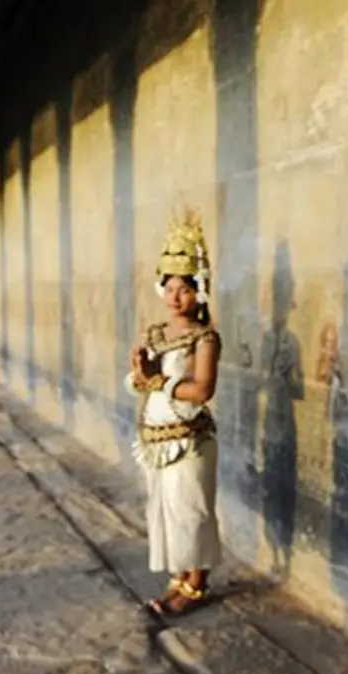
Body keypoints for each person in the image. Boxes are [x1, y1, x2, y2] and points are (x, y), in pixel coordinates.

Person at [126, 211, 223, 617]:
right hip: (156, 439)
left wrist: (158, 380)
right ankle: (178, 579)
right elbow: (140, 381)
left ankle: (196, 585)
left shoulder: (205, 338)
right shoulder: (155, 333)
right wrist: (140, 373)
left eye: (184, 288)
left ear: (200, 291)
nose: (175, 297)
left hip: (191, 440)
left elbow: (201, 390)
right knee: (166, 512)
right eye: (169, 287)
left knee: (192, 512)